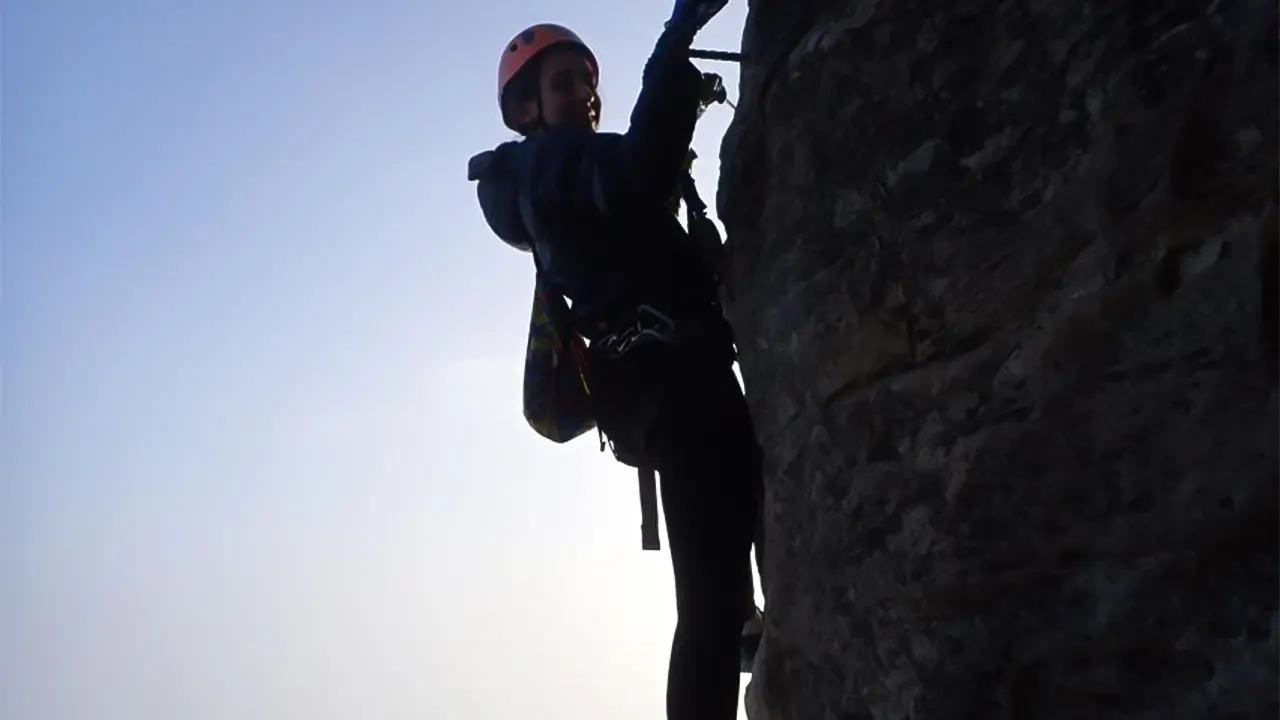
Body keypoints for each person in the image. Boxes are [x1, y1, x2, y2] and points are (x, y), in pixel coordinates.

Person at [466, 6, 764, 720]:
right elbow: (638, 169)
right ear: (527, 108)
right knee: (711, 607)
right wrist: (673, 44)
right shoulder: (550, 164)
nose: (584, 95)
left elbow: (637, 182)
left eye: (588, 83)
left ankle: (758, 635)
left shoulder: (561, 178)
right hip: (673, 387)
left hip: (663, 386)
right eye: (566, 84)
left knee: (719, 595)